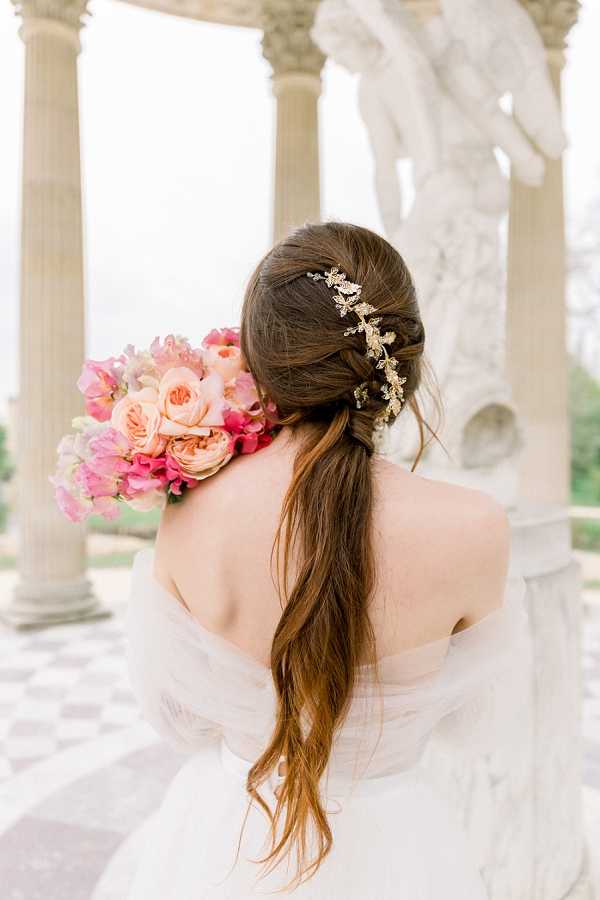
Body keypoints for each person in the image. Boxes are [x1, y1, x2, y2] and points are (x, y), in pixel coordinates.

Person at [125, 221, 527, 899]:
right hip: (399, 844)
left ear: (257, 361)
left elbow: (175, 718)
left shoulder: (191, 512)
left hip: (226, 839)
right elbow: (477, 724)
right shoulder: (474, 525)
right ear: (404, 363)